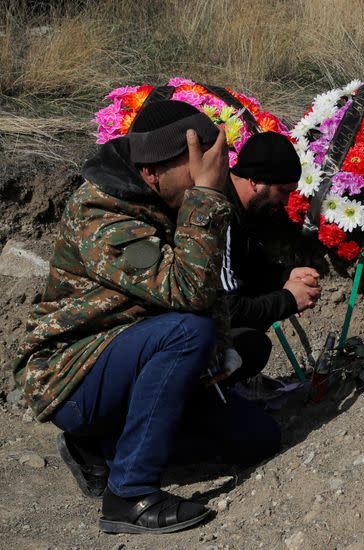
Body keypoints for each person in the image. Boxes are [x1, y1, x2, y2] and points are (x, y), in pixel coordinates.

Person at [12, 100, 281, 534]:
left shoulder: (173, 199)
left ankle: (105, 447)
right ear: (152, 171)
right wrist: (207, 198)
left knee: (258, 438)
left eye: (207, 169)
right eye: (192, 170)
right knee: (188, 331)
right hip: (76, 374)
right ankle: (129, 494)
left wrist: (224, 345)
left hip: (145, 357)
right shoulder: (101, 212)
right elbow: (186, 291)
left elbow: (208, 283)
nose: (201, 179)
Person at [220, 131, 321, 383]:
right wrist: (287, 300)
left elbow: (250, 270)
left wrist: (286, 276)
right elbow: (226, 308)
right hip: (187, 329)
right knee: (251, 346)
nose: (286, 201)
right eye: (282, 191)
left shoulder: (244, 209)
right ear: (255, 181)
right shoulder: (219, 214)